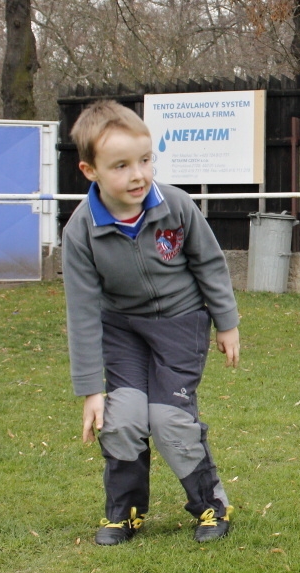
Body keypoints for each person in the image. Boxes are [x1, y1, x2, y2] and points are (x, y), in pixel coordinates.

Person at [63, 100, 240, 545]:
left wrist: (227, 323)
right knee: (121, 419)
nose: (138, 175)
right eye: (120, 166)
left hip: (180, 326)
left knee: (168, 419)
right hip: (122, 331)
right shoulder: (80, 231)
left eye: (145, 160)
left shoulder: (176, 206)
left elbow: (211, 265)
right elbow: (82, 311)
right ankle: (124, 514)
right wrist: (89, 390)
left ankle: (210, 508)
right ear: (90, 171)